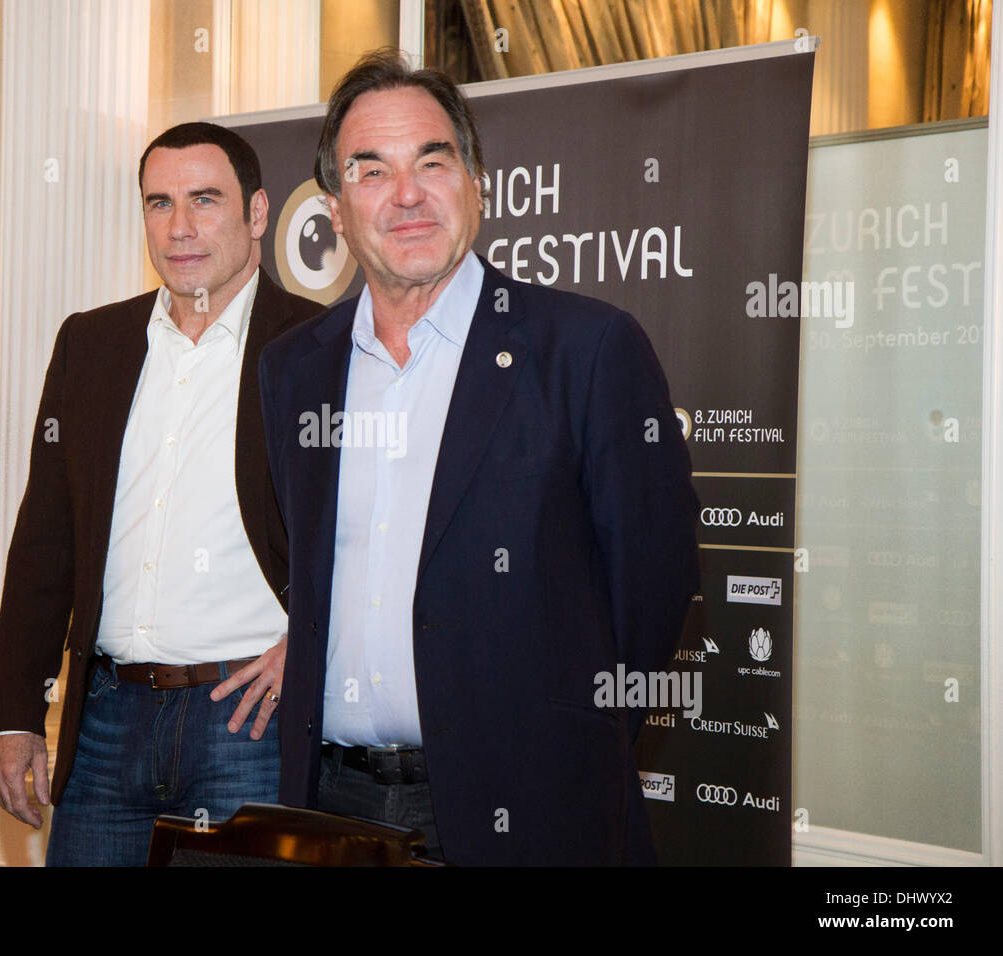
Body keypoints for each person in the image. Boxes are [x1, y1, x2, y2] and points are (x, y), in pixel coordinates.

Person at [258, 50, 701, 866]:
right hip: (334, 807)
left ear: (476, 184)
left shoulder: (587, 349)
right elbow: (299, 560)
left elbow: (654, 585)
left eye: (434, 160)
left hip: (532, 808)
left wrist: (562, 738)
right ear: (335, 209)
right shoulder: (295, 369)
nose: (407, 194)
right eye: (372, 170)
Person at [0, 121, 324, 865]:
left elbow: (373, 529)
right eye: (158, 202)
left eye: (205, 200)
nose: (179, 227)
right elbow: (45, 542)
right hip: (104, 722)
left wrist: (317, 641)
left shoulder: (320, 347)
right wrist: (13, 714)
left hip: (246, 727)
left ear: (258, 214)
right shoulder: (91, 344)